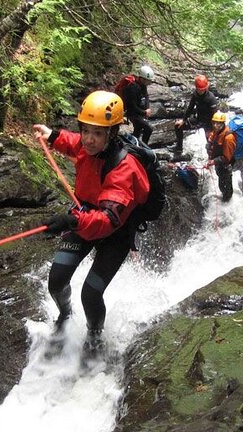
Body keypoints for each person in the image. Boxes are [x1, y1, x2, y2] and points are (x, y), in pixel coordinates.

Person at [33, 90, 150, 355]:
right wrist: (52, 135)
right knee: (56, 282)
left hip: (115, 234)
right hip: (84, 218)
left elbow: (108, 220)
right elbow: (74, 143)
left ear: (111, 134)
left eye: (97, 133)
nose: (89, 138)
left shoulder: (124, 167)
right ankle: (64, 315)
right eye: (86, 130)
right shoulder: (87, 147)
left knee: (90, 294)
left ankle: (94, 336)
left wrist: (70, 221)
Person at [173, 74, 219, 157]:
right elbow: (190, 108)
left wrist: (213, 131)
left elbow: (215, 117)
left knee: (210, 143)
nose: (200, 92)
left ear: (206, 88)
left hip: (209, 124)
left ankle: (212, 159)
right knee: (178, 125)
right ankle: (179, 148)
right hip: (199, 120)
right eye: (199, 90)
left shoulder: (211, 99)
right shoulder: (195, 95)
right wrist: (183, 120)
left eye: (202, 90)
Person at [206, 111, 236, 201]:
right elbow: (212, 138)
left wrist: (213, 161)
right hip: (219, 164)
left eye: (218, 123)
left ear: (223, 123)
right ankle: (225, 197)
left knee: (225, 187)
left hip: (226, 165)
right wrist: (209, 144)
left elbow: (227, 158)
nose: (215, 125)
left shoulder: (228, 137)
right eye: (214, 123)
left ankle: (227, 201)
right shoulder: (216, 132)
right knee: (221, 183)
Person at [122, 65, 155, 144]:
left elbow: (146, 97)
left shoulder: (143, 86)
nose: (149, 83)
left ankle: (135, 145)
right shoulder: (132, 88)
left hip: (139, 113)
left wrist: (147, 109)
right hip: (131, 114)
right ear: (141, 78)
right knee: (149, 128)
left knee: (138, 130)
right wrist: (144, 112)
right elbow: (132, 106)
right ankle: (144, 146)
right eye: (147, 81)